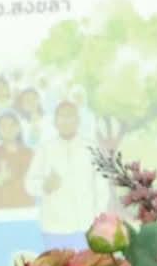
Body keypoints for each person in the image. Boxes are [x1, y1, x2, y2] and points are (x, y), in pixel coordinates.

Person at [28, 101, 107, 249]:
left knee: (88, 264)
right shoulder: (45, 149)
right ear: (55, 121)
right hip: (54, 227)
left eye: (70, 116)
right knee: (57, 265)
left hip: (86, 226)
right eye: (62, 116)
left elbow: (102, 187)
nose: (66, 121)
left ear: (78, 120)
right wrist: (45, 186)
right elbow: (30, 184)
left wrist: (99, 217)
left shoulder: (91, 147)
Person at [0, 110, 35, 209]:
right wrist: (1, 177)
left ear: (19, 128)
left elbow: (36, 184)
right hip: (0, 207)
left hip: (25, 207)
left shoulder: (29, 153)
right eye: (3, 126)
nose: (8, 129)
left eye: (12, 125)